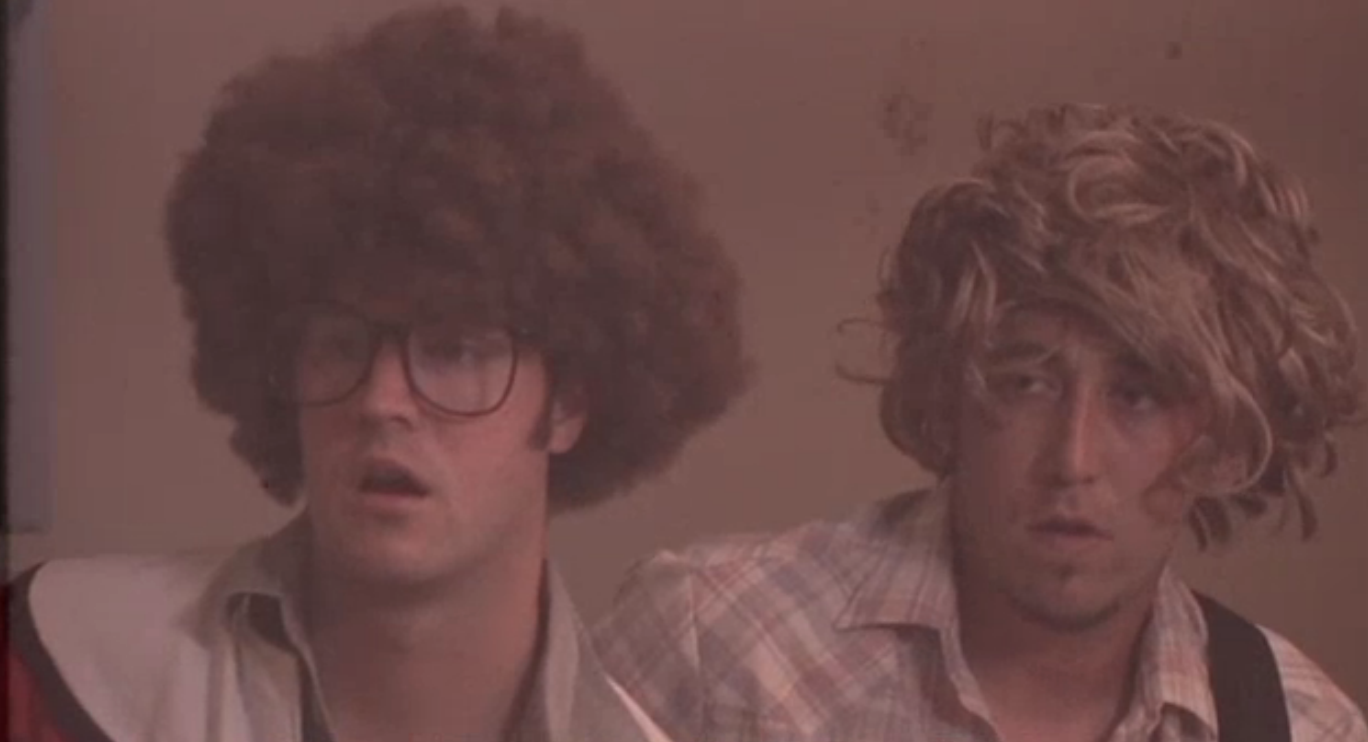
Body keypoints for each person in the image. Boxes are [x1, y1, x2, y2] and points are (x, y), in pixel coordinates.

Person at [5, 5, 748, 741]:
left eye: (455, 350)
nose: (381, 399)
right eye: (338, 343)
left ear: (568, 404)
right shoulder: (56, 672)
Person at [593, 103, 1368, 741]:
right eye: (1027, 383)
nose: (1073, 459)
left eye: (1139, 396)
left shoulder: (1302, 726)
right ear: (951, 393)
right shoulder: (718, 649)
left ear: (1223, 437)